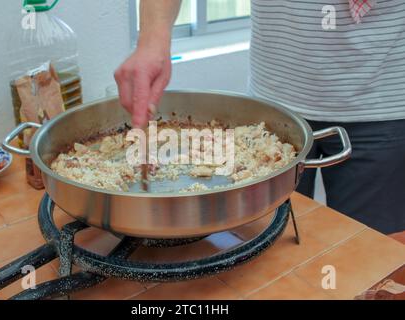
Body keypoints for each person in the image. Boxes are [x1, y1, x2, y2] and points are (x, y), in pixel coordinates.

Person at [114, 0, 405, 235]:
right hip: (271, 110)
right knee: (268, 246)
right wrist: (152, 39)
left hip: (384, 101)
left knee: (372, 256)